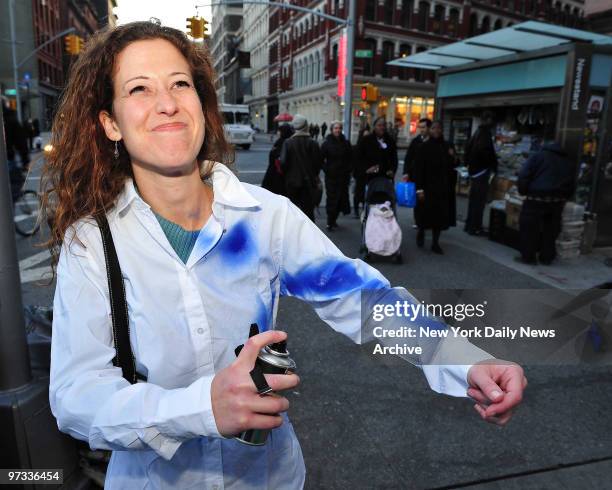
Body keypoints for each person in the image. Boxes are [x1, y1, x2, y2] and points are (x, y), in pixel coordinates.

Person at [43, 22, 526, 490]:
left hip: (268, 477)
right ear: (110, 124)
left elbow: (364, 302)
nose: (167, 103)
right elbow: (76, 395)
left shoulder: (265, 218)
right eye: (139, 90)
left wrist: (466, 362)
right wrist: (200, 408)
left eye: (180, 84)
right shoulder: (92, 241)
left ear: (201, 103)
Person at [517, 140, 576, 265]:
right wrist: (565, 197)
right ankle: (547, 257)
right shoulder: (568, 161)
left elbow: (524, 175)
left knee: (529, 229)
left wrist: (523, 191)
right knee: (551, 231)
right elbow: (572, 183)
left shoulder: (538, 156)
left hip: (536, 198)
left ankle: (528, 257)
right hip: (556, 201)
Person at [413, 121, 458, 254]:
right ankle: (421, 231)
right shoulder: (424, 147)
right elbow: (418, 169)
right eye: (433, 128)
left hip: (443, 189)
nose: (436, 131)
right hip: (427, 188)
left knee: (439, 217)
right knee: (425, 214)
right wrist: (419, 189)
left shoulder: (447, 146)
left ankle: (435, 243)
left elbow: (455, 164)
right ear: (429, 130)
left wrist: (453, 156)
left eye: (439, 128)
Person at [279, 114, 323, 221]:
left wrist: (287, 174)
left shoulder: (288, 143)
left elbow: (283, 163)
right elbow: (318, 164)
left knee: (292, 211)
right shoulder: (313, 143)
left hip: (292, 182)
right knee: (308, 212)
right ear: (306, 126)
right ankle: (308, 235)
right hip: (309, 183)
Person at [464, 111, 498, 236]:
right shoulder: (484, 134)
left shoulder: (477, 133)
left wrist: (468, 165)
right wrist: (493, 164)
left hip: (474, 171)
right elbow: (485, 152)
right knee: (478, 201)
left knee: (474, 201)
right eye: (491, 120)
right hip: (481, 172)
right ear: (487, 120)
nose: (493, 123)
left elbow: (468, 149)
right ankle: (475, 227)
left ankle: (469, 225)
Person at [320, 121, 352, 231]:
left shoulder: (346, 143)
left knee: (341, 199)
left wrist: (349, 170)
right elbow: (320, 159)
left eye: (339, 128)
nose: (337, 130)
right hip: (331, 176)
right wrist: (327, 170)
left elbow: (350, 158)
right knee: (332, 199)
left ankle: (334, 220)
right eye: (335, 128)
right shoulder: (327, 143)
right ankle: (330, 221)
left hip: (343, 176)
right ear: (332, 130)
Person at [357, 116, 398, 183]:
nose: (382, 128)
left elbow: (394, 158)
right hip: (369, 177)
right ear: (374, 127)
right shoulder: (366, 140)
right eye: (379, 125)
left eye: (384, 125)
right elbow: (359, 158)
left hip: (385, 177)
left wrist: (392, 170)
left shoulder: (390, 141)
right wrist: (366, 169)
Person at [261, 123, 293, 196]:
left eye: (280, 131)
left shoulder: (284, 142)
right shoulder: (285, 141)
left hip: (277, 172)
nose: (278, 133)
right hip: (277, 171)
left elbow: (277, 156)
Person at [352, 123, 371, 218]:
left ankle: (365, 209)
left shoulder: (372, 148)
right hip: (360, 174)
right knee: (358, 192)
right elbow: (354, 162)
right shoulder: (357, 148)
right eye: (365, 136)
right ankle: (356, 209)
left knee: (367, 193)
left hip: (369, 174)